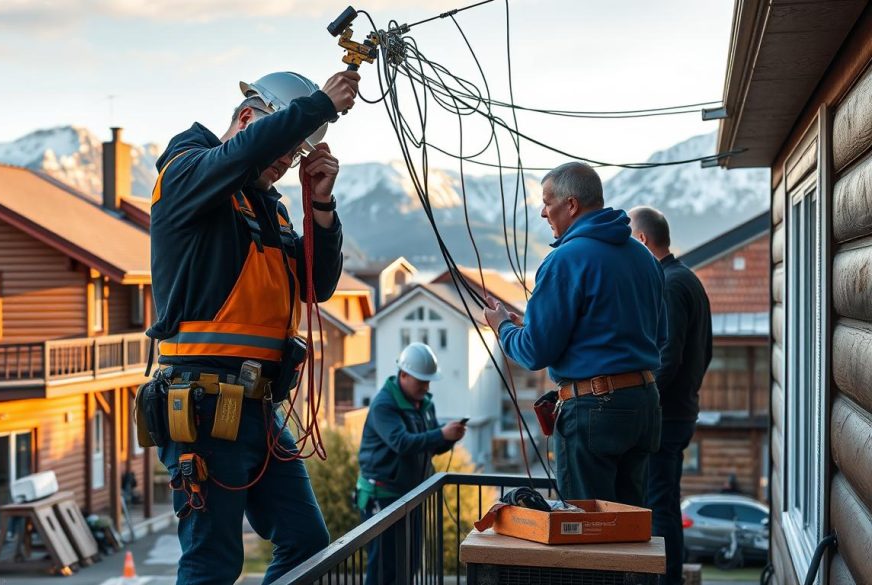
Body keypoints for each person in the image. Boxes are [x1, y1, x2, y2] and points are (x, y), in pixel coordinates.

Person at [146, 69, 360, 584]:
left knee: (307, 543)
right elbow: (236, 158)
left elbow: (317, 286)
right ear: (247, 118)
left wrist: (321, 207)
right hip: (203, 407)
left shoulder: (269, 208)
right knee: (213, 561)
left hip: (259, 408)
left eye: (291, 160)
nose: (285, 167)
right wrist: (316, 107)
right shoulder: (186, 173)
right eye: (281, 151)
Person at [484, 161, 665, 507]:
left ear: (571, 205)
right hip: (644, 405)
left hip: (593, 411)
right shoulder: (644, 258)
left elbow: (535, 352)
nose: (542, 212)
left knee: (587, 530)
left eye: (547, 201)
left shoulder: (565, 261)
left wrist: (503, 326)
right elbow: (660, 336)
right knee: (631, 524)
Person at [629, 205, 712, 585]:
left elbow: (668, 356)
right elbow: (705, 352)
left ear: (643, 240)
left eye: (630, 240)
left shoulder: (668, 284)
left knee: (660, 506)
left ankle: (668, 580)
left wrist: (643, 399)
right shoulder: (688, 279)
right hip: (682, 411)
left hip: (667, 415)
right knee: (664, 501)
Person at [356, 343, 466, 584]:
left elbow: (426, 444)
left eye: (428, 381)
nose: (426, 387)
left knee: (409, 562)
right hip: (382, 496)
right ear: (403, 375)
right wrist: (441, 435)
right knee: (384, 567)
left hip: (409, 495)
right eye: (421, 381)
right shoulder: (384, 405)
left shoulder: (424, 403)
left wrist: (447, 438)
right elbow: (402, 443)